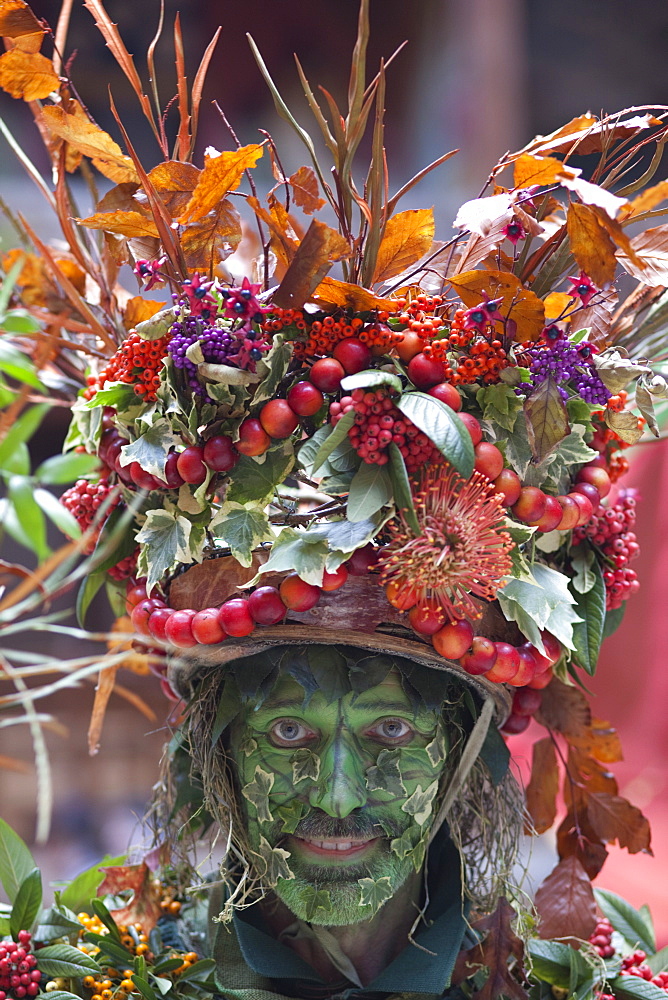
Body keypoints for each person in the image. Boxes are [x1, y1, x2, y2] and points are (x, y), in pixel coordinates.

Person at [162, 634, 520, 999]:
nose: (338, 800)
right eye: (289, 730)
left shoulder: (539, 985)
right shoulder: (127, 969)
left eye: (391, 729)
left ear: (456, 754)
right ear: (222, 755)